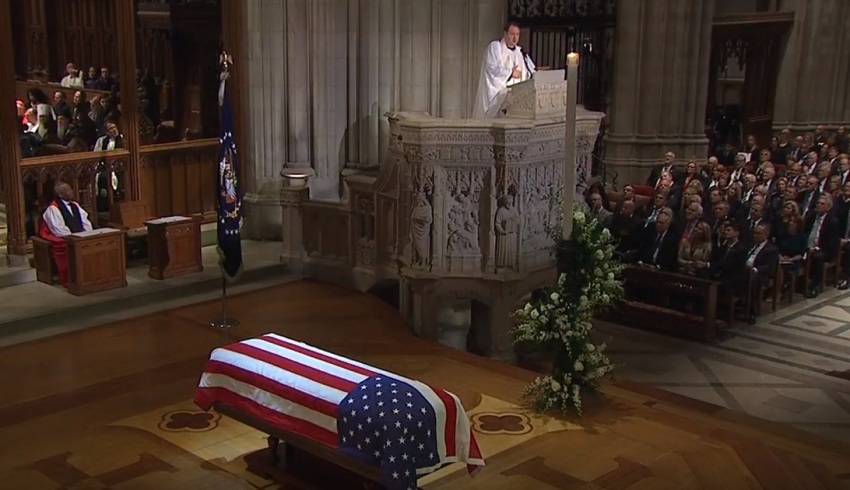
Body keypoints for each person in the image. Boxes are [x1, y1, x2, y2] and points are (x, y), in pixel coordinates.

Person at [471, 21, 536, 118]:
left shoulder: (520, 52)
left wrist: (538, 74)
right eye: (512, 34)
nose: (515, 38)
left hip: (517, 99)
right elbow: (491, 69)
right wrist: (510, 73)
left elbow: (531, 72)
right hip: (499, 98)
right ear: (505, 34)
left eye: (517, 34)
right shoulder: (495, 47)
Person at [39, 183, 93, 287]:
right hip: (65, 239)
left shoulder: (75, 205)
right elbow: (58, 229)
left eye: (70, 189)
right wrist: (75, 238)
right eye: (67, 190)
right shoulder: (53, 208)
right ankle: (73, 279)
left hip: (80, 236)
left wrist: (87, 234)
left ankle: (90, 276)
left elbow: (85, 221)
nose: (71, 192)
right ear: (60, 194)